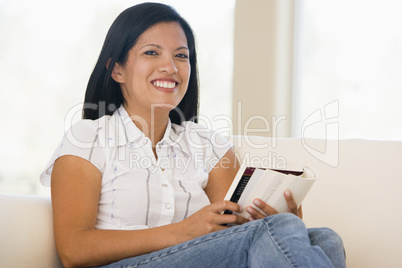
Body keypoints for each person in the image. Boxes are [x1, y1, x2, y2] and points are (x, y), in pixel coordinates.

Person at [40, 3, 346, 267]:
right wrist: (185, 231)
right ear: (117, 69)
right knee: (277, 233)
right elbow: (73, 250)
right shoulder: (88, 137)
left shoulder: (209, 146)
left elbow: (233, 231)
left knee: (323, 238)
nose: (170, 67)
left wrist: (277, 217)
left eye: (181, 56)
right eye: (151, 52)